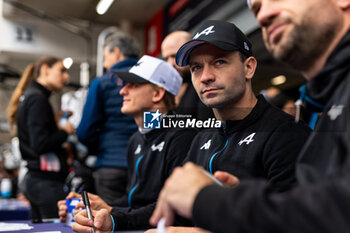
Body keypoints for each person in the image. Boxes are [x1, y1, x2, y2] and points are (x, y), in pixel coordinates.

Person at [150, 0, 350, 232]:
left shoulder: (287, 133)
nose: (205, 76)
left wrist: (216, 203)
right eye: (196, 68)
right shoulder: (200, 139)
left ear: (249, 68)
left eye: (219, 62)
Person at [60, 55, 197, 231]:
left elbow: (171, 208)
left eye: (133, 85)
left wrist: (114, 215)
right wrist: (102, 206)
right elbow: (133, 199)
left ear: (157, 93)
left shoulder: (182, 138)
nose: (122, 91)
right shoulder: (137, 139)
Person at [7, 56, 75, 221]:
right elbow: (40, 143)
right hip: (45, 182)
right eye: (62, 71)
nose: (66, 77)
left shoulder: (32, 96)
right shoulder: (38, 98)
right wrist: (65, 131)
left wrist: (55, 125)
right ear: (45, 69)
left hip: (38, 181)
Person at [76, 31, 140, 204]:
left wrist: (101, 149)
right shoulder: (150, 79)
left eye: (105, 57)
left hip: (111, 165)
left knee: (111, 221)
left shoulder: (102, 82)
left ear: (116, 52)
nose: (104, 64)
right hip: (144, 165)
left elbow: (85, 131)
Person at [161, 31, 214, 120]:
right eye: (166, 58)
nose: (170, 64)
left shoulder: (207, 82)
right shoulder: (167, 89)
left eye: (175, 56)